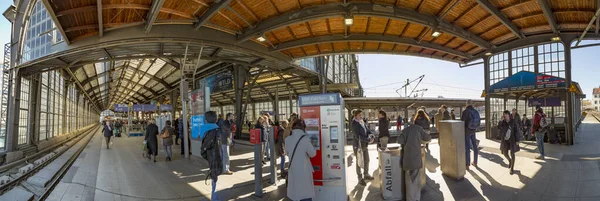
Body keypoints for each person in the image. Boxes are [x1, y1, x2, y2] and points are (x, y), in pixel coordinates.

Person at [398, 117, 431, 201]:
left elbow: (399, 141)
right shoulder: (419, 129)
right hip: (416, 158)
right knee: (416, 179)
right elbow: (428, 138)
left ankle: (410, 198)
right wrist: (421, 141)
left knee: (408, 179)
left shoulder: (405, 130)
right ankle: (416, 198)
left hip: (407, 159)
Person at [285, 119, 317, 201]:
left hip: (293, 170)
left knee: (295, 194)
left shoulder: (287, 139)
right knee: (305, 195)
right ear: (303, 128)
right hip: (304, 172)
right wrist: (313, 146)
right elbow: (312, 154)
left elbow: (288, 153)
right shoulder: (305, 139)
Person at [199, 111, 222, 201]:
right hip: (219, 155)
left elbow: (204, 147)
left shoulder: (209, 131)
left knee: (214, 177)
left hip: (213, 157)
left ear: (207, 119)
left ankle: (214, 197)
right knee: (216, 174)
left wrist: (205, 155)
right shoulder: (219, 129)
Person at [352, 110, 375, 186]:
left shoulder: (362, 122)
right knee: (359, 162)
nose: (361, 116)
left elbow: (367, 130)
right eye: (359, 115)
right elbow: (357, 136)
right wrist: (368, 140)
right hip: (358, 146)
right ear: (355, 116)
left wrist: (371, 135)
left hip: (364, 145)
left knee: (367, 160)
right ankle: (360, 178)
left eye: (361, 115)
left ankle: (366, 174)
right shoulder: (354, 124)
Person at [498, 110, 520, 175]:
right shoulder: (503, 122)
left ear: (508, 115)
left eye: (505, 115)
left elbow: (517, 130)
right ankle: (510, 161)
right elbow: (499, 127)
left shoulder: (513, 121)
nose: (504, 116)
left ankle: (512, 168)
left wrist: (518, 140)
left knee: (512, 153)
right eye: (503, 115)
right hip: (505, 139)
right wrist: (500, 121)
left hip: (512, 139)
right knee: (504, 153)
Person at [461, 100, 480, 169]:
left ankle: (467, 164)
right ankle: (475, 162)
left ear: (466, 104)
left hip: (467, 131)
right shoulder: (475, 111)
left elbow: (462, 122)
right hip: (473, 130)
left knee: (467, 147)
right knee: (475, 146)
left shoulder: (465, 111)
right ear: (471, 104)